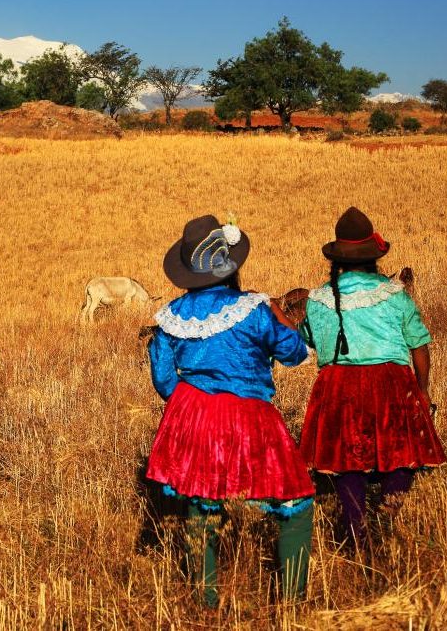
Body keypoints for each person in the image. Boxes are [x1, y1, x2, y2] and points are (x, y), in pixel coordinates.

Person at [146, 214, 314, 608]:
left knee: (202, 500)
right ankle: (292, 601)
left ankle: (205, 597)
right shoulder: (254, 309)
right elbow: (292, 354)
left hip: (191, 410)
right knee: (293, 501)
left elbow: (164, 380)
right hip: (248, 411)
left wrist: (191, 400)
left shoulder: (171, 317)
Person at [298, 207, 447, 552]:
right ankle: (388, 512)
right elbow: (419, 344)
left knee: (347, 460)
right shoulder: (394, 294)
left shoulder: (319, 299)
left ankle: (356, 532)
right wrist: (422, 391)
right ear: (373, 258)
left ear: (336, 259)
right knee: (403, 451)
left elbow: (307, 340)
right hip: (391, 381)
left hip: (337, 385)